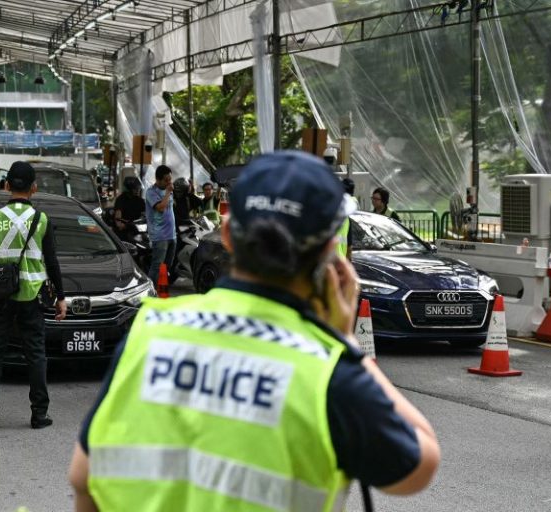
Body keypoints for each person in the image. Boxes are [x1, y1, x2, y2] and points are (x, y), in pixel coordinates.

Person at [69, 150, 440, 511]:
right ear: (331, 252)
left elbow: (84, 481)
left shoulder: (151, 331)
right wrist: (345, 343)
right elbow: (419, 466)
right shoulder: (327, 370)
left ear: (228, 234)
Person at [0, 161, 67, 430]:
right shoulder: (41, 220)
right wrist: (60, 297)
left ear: (6, 186)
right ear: (34, 188)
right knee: (36, 354)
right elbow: (52, 262)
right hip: (32, 295)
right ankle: (39, 414)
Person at [144, 165, 176, 287]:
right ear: (158, 179)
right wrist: (168, 192)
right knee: (157, 266)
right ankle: (151, 291)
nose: (169, 182)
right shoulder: (151, 192)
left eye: (170, 179)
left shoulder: (169, 191)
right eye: (166, 180)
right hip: (159, 236)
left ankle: (161, 289)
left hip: (171, 234)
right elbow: (161, 208)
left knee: (166, 267)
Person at [113, 176, 145, 242]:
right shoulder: (120, 200)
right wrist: (121, 224)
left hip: (138, 230)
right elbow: (118, 217)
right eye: (135, 189)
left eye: (138, 188)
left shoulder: (140, 201)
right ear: (129, 189)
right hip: (125, 232)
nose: (138, 190)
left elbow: (145, 214)